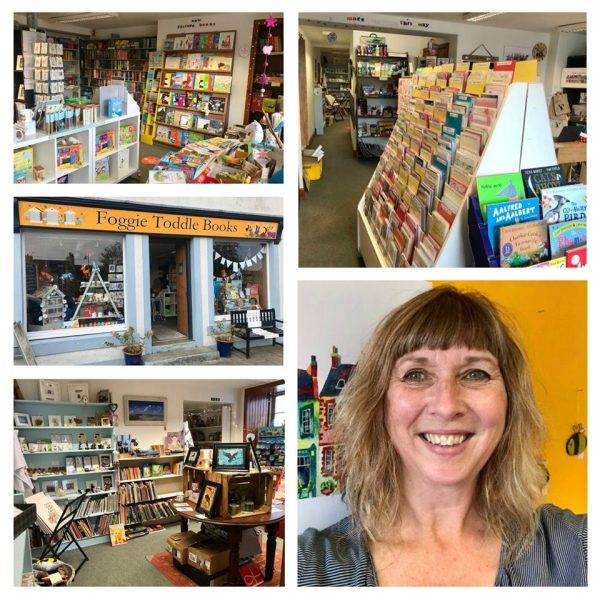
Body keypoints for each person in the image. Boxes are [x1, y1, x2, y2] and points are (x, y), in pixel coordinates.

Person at [298, 286, 587, 586]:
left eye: (475, 373)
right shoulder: (306, 568)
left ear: (510, 401)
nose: (447, 406)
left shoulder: (578, 548)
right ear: (378, 403)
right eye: (416, 375)